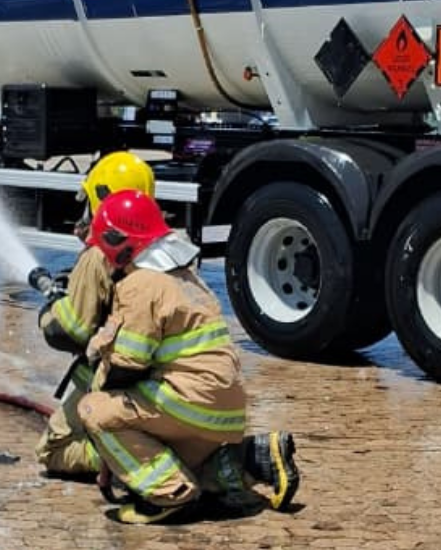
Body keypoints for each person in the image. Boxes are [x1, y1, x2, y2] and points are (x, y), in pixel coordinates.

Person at [76, 189, 300, 524]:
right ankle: (256, 458)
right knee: (173, 461)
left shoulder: (141, 284)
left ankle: (170, 495)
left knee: (94, 410)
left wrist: (97, 377)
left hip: (189, 404)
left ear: (118, 242)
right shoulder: (185, 277)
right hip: (221, 409)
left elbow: (126, 365)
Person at [33, 151, 156, 477]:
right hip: (164, 384)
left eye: (89, 202)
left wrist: (50, 309)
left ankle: (125, 461)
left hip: (118, 380)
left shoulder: (100, 254)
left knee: (52, 450)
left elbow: (71, 331)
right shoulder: (160, 247)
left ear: (101, 200)